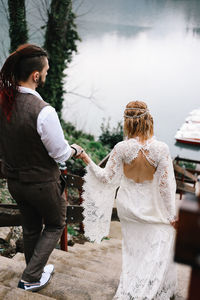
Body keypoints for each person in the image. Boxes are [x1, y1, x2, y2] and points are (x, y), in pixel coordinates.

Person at [0, 44, 82, 292]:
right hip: (42, 185)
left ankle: (33, 269)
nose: (47, 73)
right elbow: (60, 153)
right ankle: (31, 277)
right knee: (56, 224)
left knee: (31, 225)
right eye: (46, 70)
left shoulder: (3, 102)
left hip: (14, 181)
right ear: (36, 75)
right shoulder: (44, 112)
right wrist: (74, 150)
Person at [80, 101, 177, 299]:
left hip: (128, 208)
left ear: (128, 123)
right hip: (151, 209)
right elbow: (165, 187)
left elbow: (106, 177)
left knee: (133, 252)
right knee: (161, 240)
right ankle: (146, 289)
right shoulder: (161, 149)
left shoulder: (121, 148)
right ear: (149, 120)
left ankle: (133, 285)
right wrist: (171, 215)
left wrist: (85, 158)